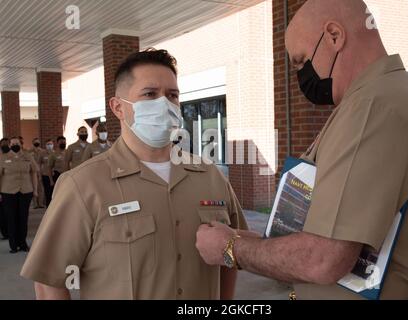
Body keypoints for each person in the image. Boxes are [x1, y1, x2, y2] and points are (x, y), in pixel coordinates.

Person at [196, 0, 408, 300]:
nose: (302, 76)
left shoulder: (374, 107)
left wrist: (230, 249)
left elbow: (324, 259)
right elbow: (322, 234)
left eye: (301, 61)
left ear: (333, 36)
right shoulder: (379, 99)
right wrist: (242, 238)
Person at [21, 48, 248, 300]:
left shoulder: (210, 176)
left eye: (172, 95)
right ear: (118, 107)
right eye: (150, 94)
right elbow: (49, 281)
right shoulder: (83, 185)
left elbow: (232, 253)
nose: (164, 103)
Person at [0, 137, 38, 253]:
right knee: (11, 218)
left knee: (23, 218)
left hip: (25, 191)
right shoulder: (3, 157)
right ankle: (13, 245)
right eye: (13, 143)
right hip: (8, 191)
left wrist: (35, 190)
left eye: (17, 143)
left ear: (21, 144)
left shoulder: (28, 156)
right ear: (10, 145)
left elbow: (34, 173)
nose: (15, 144)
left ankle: (23, 243)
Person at [29, 138, 46, 209]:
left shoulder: (42, 151)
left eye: (38, 142)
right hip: (32, 171)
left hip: (40, 171)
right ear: (32, 143)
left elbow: (43, 161)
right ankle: (35, 204)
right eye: (35, 142)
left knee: (41, 188)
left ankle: (41, 203)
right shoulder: (29, 151)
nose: (37, 143)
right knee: (34, 187)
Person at [39, 139, 55, 207]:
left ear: (53, 145)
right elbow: (39, 164)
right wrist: (39, 175)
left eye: (51, 144)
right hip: (45, 175)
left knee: (54, 192)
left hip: (54, 174)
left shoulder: (55, 153)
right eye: (48, 144)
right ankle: (48, 206)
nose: (49, 146)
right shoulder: (42, 153)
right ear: (45, 145)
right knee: (47, 192)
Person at [0, 138, 10, 240]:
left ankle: (7, 232)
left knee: (5, 211)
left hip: (7, 188)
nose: (5, 146)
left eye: (7, 144)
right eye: (4, 144)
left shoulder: (10, 157)